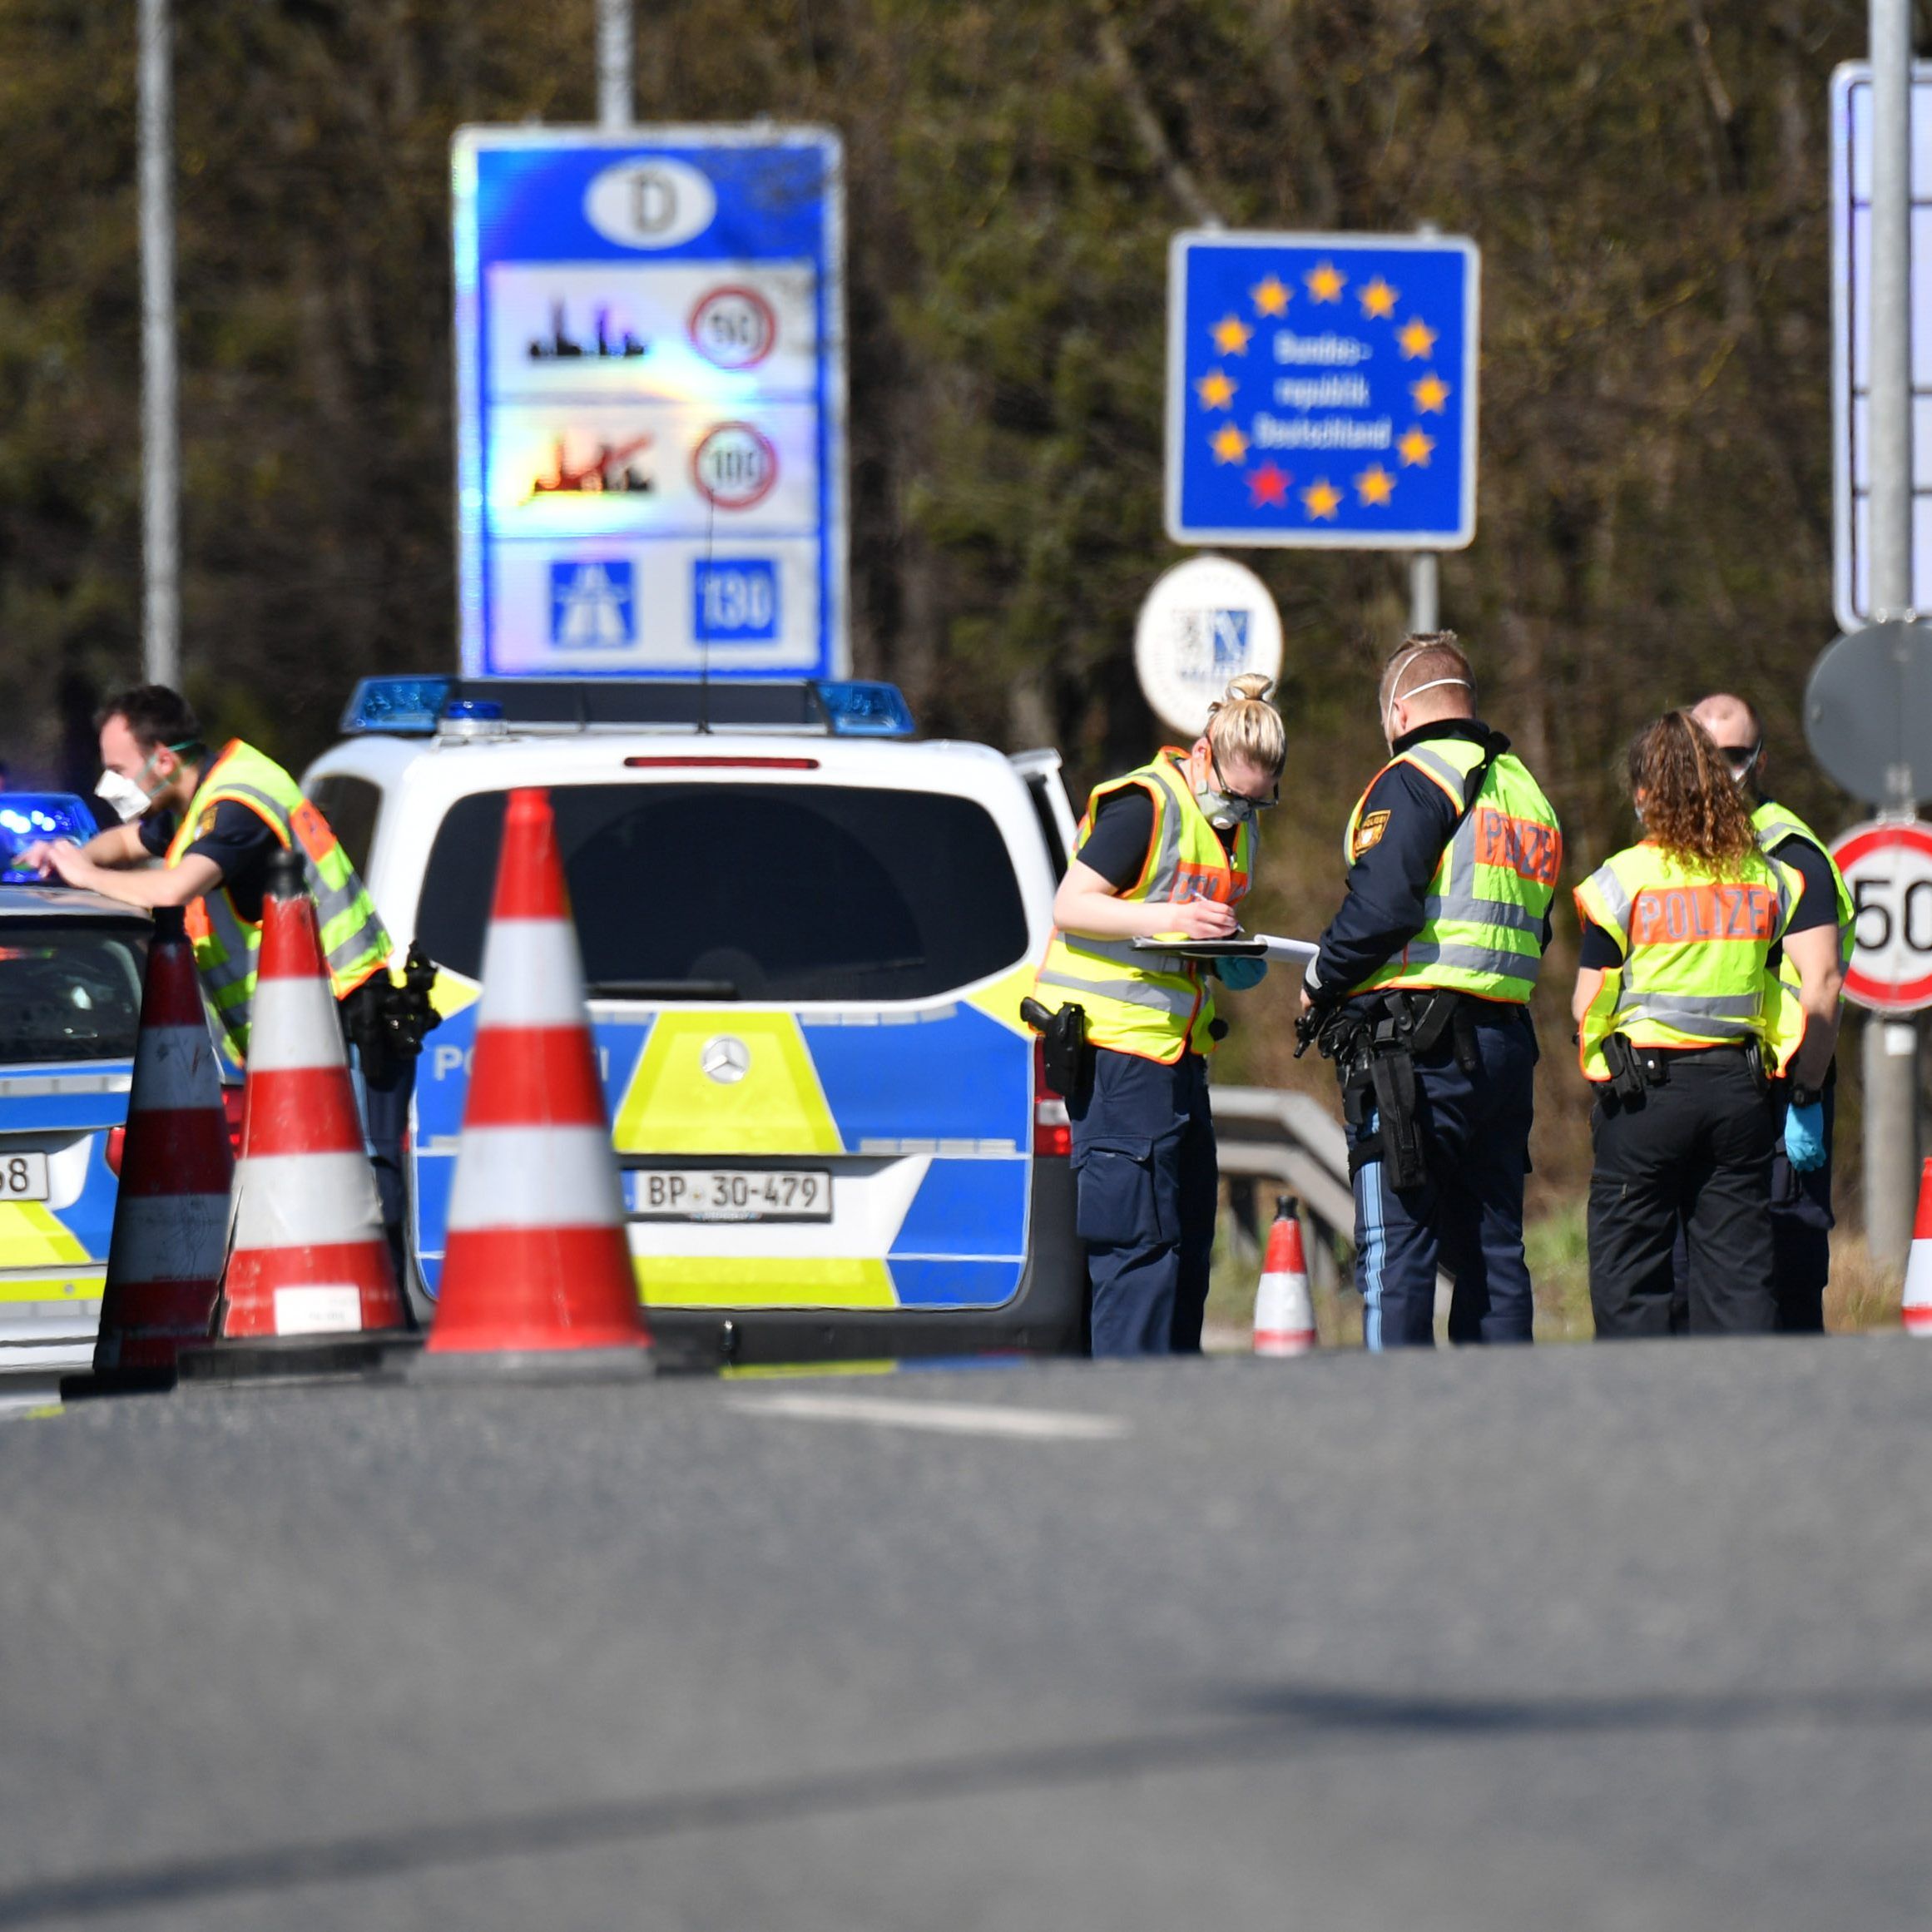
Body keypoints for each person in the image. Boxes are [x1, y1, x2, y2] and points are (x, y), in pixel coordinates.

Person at [20, 686, 424, 1278]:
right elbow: (131, 841)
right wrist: (65, 854)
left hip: (345, 1020)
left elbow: (173, 888)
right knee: (320, 1192)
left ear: (162, 759)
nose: (111, 785)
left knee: (361, 1190)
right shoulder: (199, 802)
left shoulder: (237, 806)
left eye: (119, 770)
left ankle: (377, 1312)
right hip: (304, 1034)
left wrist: (83, 875)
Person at [1297, 633, 1562, 1350]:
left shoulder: (1417, 776)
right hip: (1505, 1046)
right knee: (1493, 1251)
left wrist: (1319, 981)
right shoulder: (1528, 793)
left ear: (1400, 711)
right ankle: (1496, 1405)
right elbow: (1534, 929)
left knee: (1399, 1248)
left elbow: (1382, 910)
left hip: (1416, 1053)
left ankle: (1398, 1408)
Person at [1031, 673, 1286, 1357]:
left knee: (1184, 1252)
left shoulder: (1236, 830)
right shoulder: (1146, 806)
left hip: (1178, 1059)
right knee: (1139, 1258)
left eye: (1259, 801)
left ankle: (1172, 1402)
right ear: (1203, 755)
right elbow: (1071, 904)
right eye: (1234, 796)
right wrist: (1171, 919)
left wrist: (1229, 951)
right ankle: (1130, 1406)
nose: (1242, 812)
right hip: (1118, 1059)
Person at [1572, 711, 1815, 1337]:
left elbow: (1584, 1001)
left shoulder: (1622, 880)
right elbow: (1793, 978)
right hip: (1738, 1094)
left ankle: (1646, 1401)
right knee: (1739, 1279)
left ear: (1645, 792)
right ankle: (1740, 1395)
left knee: (1631, 1281)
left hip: (1643, 1098)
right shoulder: (1766, 877)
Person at [1684, 693, 1848, 1332]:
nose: (1721, 771)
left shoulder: (1789, 851)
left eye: (1735, 756)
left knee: (1785, 1275)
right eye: (1706, 756)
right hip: (1710, 1086)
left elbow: (1822, 983)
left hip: (1784, 1090)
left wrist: (1806, 1093)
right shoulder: (1680, 852)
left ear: (1760, 759)